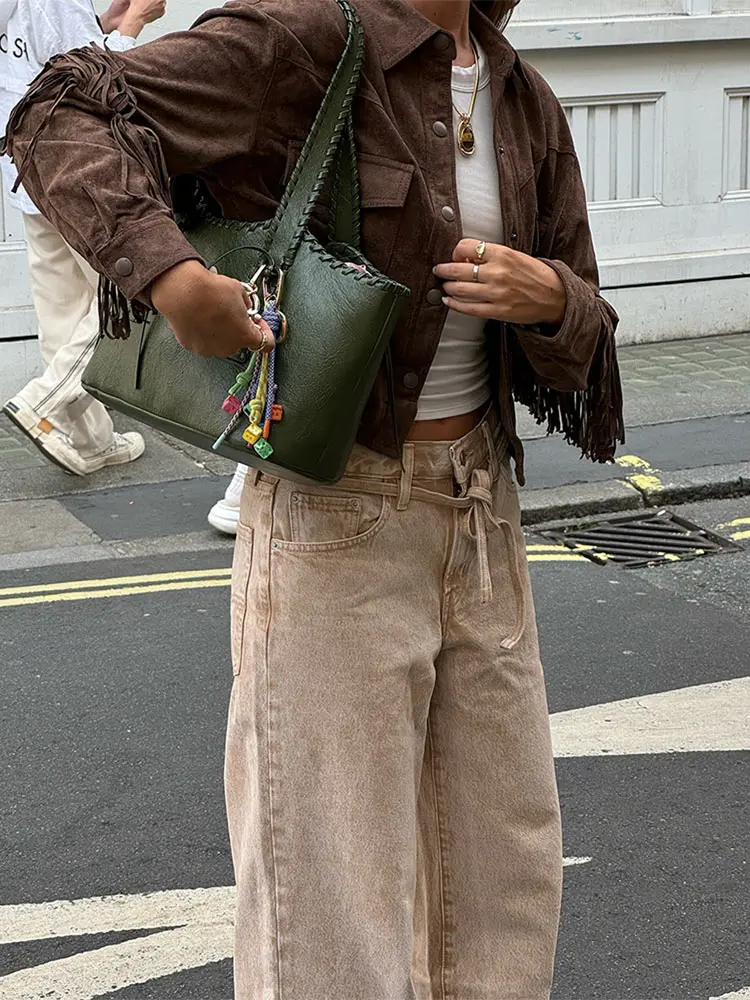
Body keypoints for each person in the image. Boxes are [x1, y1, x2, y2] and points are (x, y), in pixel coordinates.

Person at [4, 0, 624, 995]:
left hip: (479, 515)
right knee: (330, 909)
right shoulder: (304, 41)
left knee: (503, 885)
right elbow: (58, 108)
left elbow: (590, 314)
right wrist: (169, 274)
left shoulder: (518, 95)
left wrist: (552, 297)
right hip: (340, 519)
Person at [0, 0, 166, 475]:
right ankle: (43, 399)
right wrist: (131, 26)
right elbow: (91, 92)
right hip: (80, 176)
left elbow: (40, 61)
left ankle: (91, 440)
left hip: (27, 171)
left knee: (63, 314)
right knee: (121, 304)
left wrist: (103, 24)